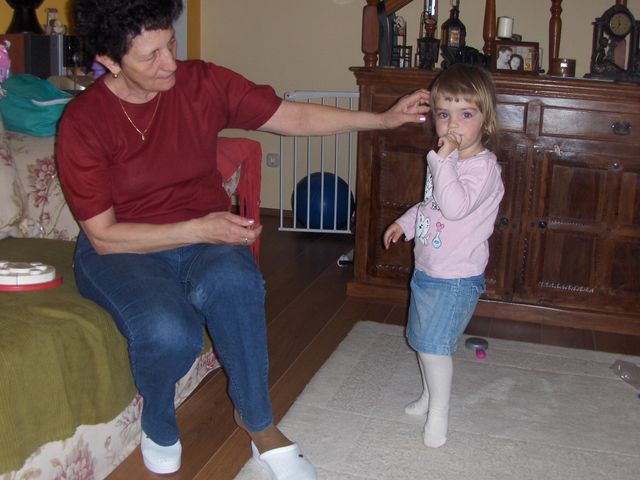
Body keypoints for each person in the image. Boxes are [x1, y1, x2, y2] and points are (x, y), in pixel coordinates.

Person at [55, 0, 430, 478]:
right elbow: (104, 236)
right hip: (123, 249)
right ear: (109, 60)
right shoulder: (85, 121)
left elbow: (290, 117)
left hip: (202, 235)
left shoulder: (200, 83)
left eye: (171, 43)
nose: (170, 62)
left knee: (238, 283)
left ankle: (258, 423)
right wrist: (200, 228)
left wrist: (382, 119)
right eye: (150, 56)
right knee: (171, 333)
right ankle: (157, 418)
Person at [382, 64, 504, 448]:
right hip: (428, 269)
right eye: (444, 114)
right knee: (423, 341)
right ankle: (428, 395)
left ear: (486, 122)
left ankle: (440, 413)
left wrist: (441, 161)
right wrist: (404, 222)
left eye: (466, 114)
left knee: (435, 347)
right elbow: (431, 205)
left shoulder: (482, 169)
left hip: (456, 277)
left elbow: (453, 207)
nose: (453, 124)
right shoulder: (449, 161)